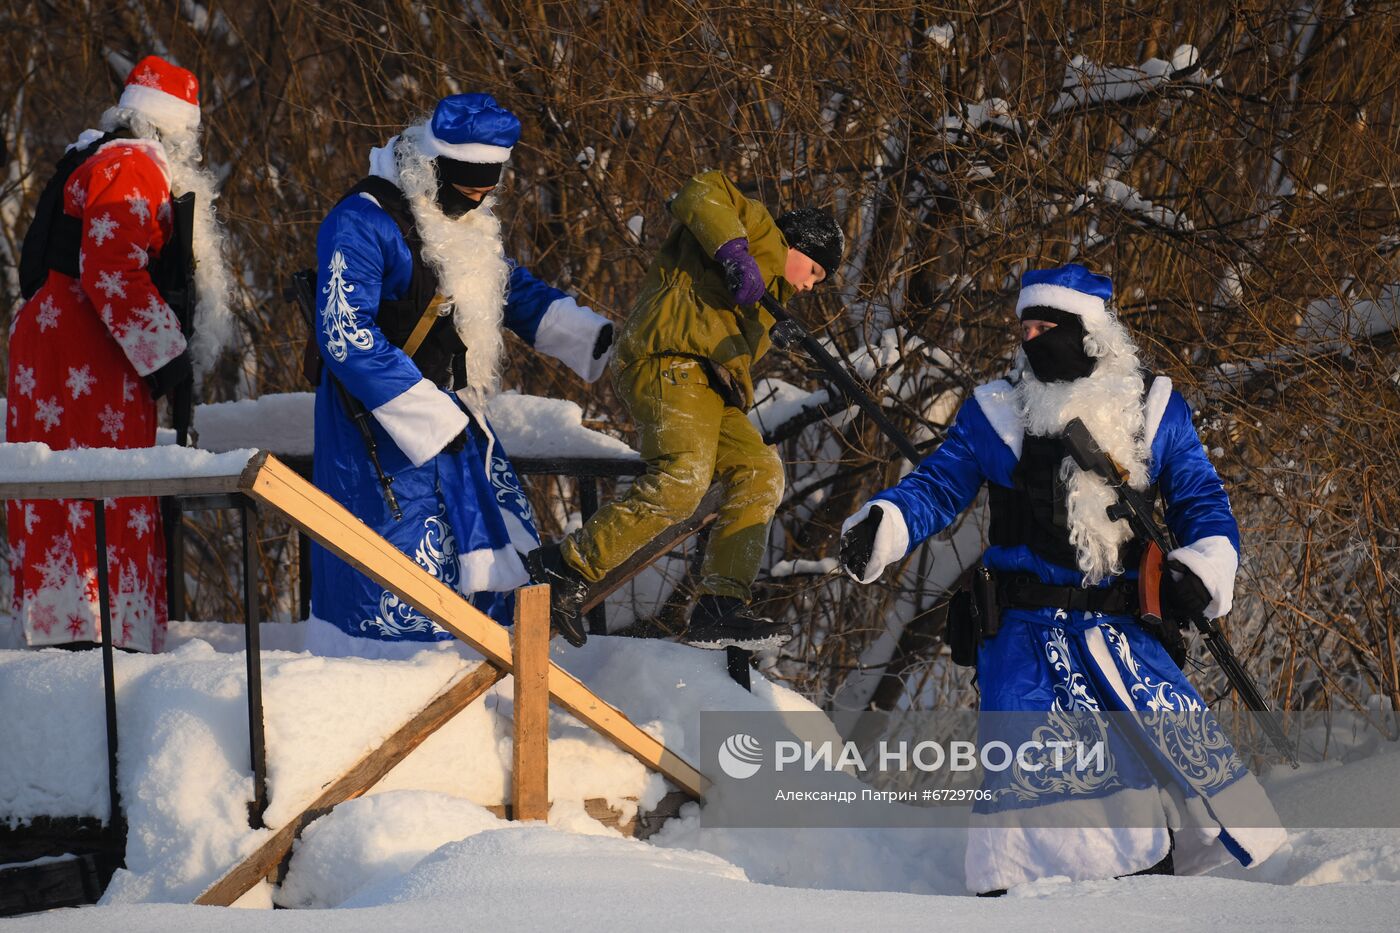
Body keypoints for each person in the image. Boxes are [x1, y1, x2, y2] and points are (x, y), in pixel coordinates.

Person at [838, 264, 1286, 893]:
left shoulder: (1154, 412)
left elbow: (1201, 499)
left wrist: (1203, 568)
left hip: (1124, 630)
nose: (1031, 339)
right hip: (1021, 636)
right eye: (1024, 326)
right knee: (1036, 772)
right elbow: (935, 488)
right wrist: (884, 523)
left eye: (1047, 326)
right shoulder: (996, 414)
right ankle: (1025, 899)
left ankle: (1151, 887)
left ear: (1090, 333)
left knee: (1158, 759)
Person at [306, 93, 614, 659]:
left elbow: (506, 288)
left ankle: (484, 700)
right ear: (432, 165)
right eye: (469, 180)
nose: (481, 194)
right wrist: (429, 416)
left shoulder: (462, 222)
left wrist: (592, 336)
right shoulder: (360, 221)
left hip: (459, 424)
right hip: (378, 431)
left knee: (494, 572)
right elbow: (345, 334)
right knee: (398, 575)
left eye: (490, 181)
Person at [527, 169, 843, 650]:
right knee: (682, 483)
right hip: (670, 359)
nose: (812, 287)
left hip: (712, 387)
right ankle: (564, 567)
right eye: (816, 271)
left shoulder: (770, 294)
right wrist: (735, 253)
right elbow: (700, 188)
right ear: (797, 246)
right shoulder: (758, 229)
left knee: (760, 472)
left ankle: (720, 605)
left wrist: (765, 329)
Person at [6, 55, 233, 653]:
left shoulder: (102, 155)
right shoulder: (132, 164)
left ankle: (73, 635)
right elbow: (111, 271)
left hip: (67, 344)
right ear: (174, 127)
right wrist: (169, 360)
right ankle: (98, 645)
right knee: (103, 488)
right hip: (85, 352)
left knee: (70, 491)